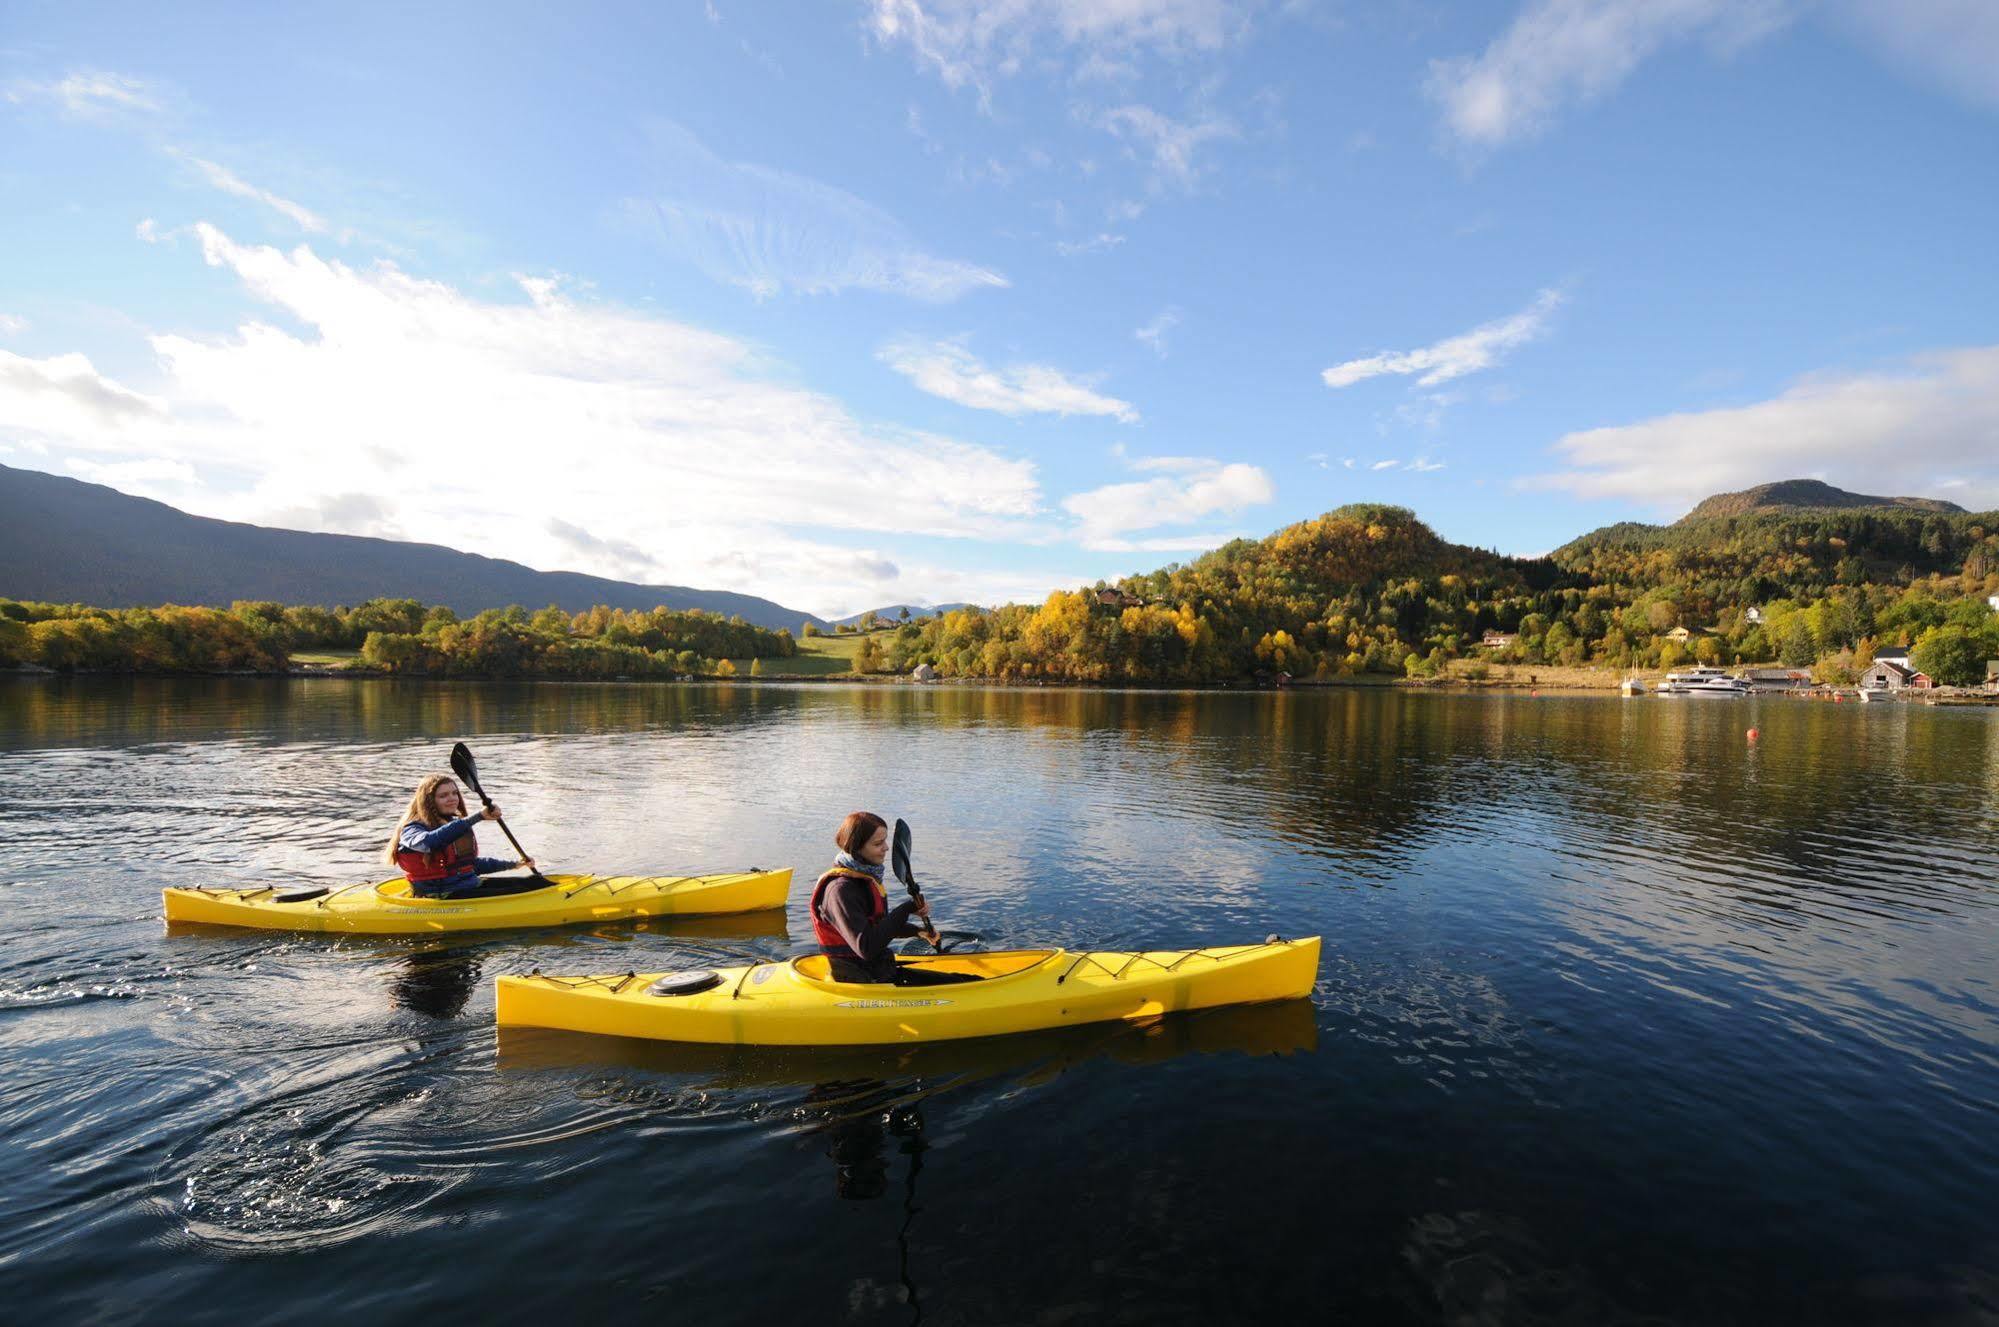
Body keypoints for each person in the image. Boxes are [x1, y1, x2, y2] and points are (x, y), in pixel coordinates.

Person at [810, 811, 977, 986]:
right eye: (878, 843)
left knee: (963, 980)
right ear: (856, 847)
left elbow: (878, 928)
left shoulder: (862, 880)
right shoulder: (840, 891)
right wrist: (905, 909)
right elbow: (866, 948)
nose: (886, 848)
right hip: (860, 983)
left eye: (885, 840)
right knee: (963, 984)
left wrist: (918, 931)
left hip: (877, 972)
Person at [386, 773, 537, 899]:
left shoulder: (454, 823)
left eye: (454, 793)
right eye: (443, 795)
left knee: (532, 883)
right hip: (441, 894)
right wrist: (478, 817)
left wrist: (514, 864)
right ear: (429, 801)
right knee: (521, 893)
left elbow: (470, 865)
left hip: (469, 885)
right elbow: (428, 843)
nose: (452, 798)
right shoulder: (412, 828)